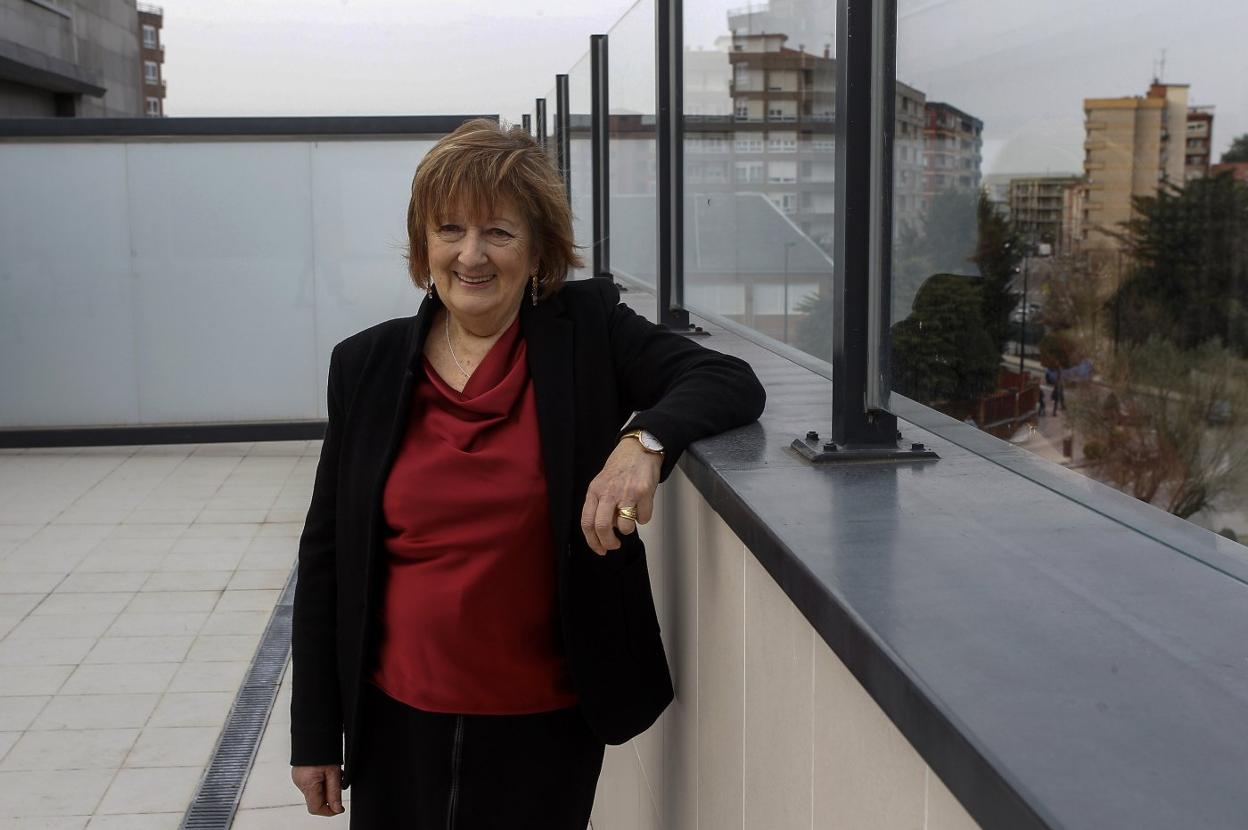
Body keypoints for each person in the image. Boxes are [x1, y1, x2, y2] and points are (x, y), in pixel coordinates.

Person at [289, 118, 766, 829]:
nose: (471, 255)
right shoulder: (365, 366)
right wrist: (315, 734)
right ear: (424, 245)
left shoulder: (588, 334)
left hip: (545, 723)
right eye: (449, 230)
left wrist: (644, 440)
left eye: (498, 233)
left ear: (539, 247)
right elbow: (325, 557)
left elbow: (726, 378)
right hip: (394, 719)